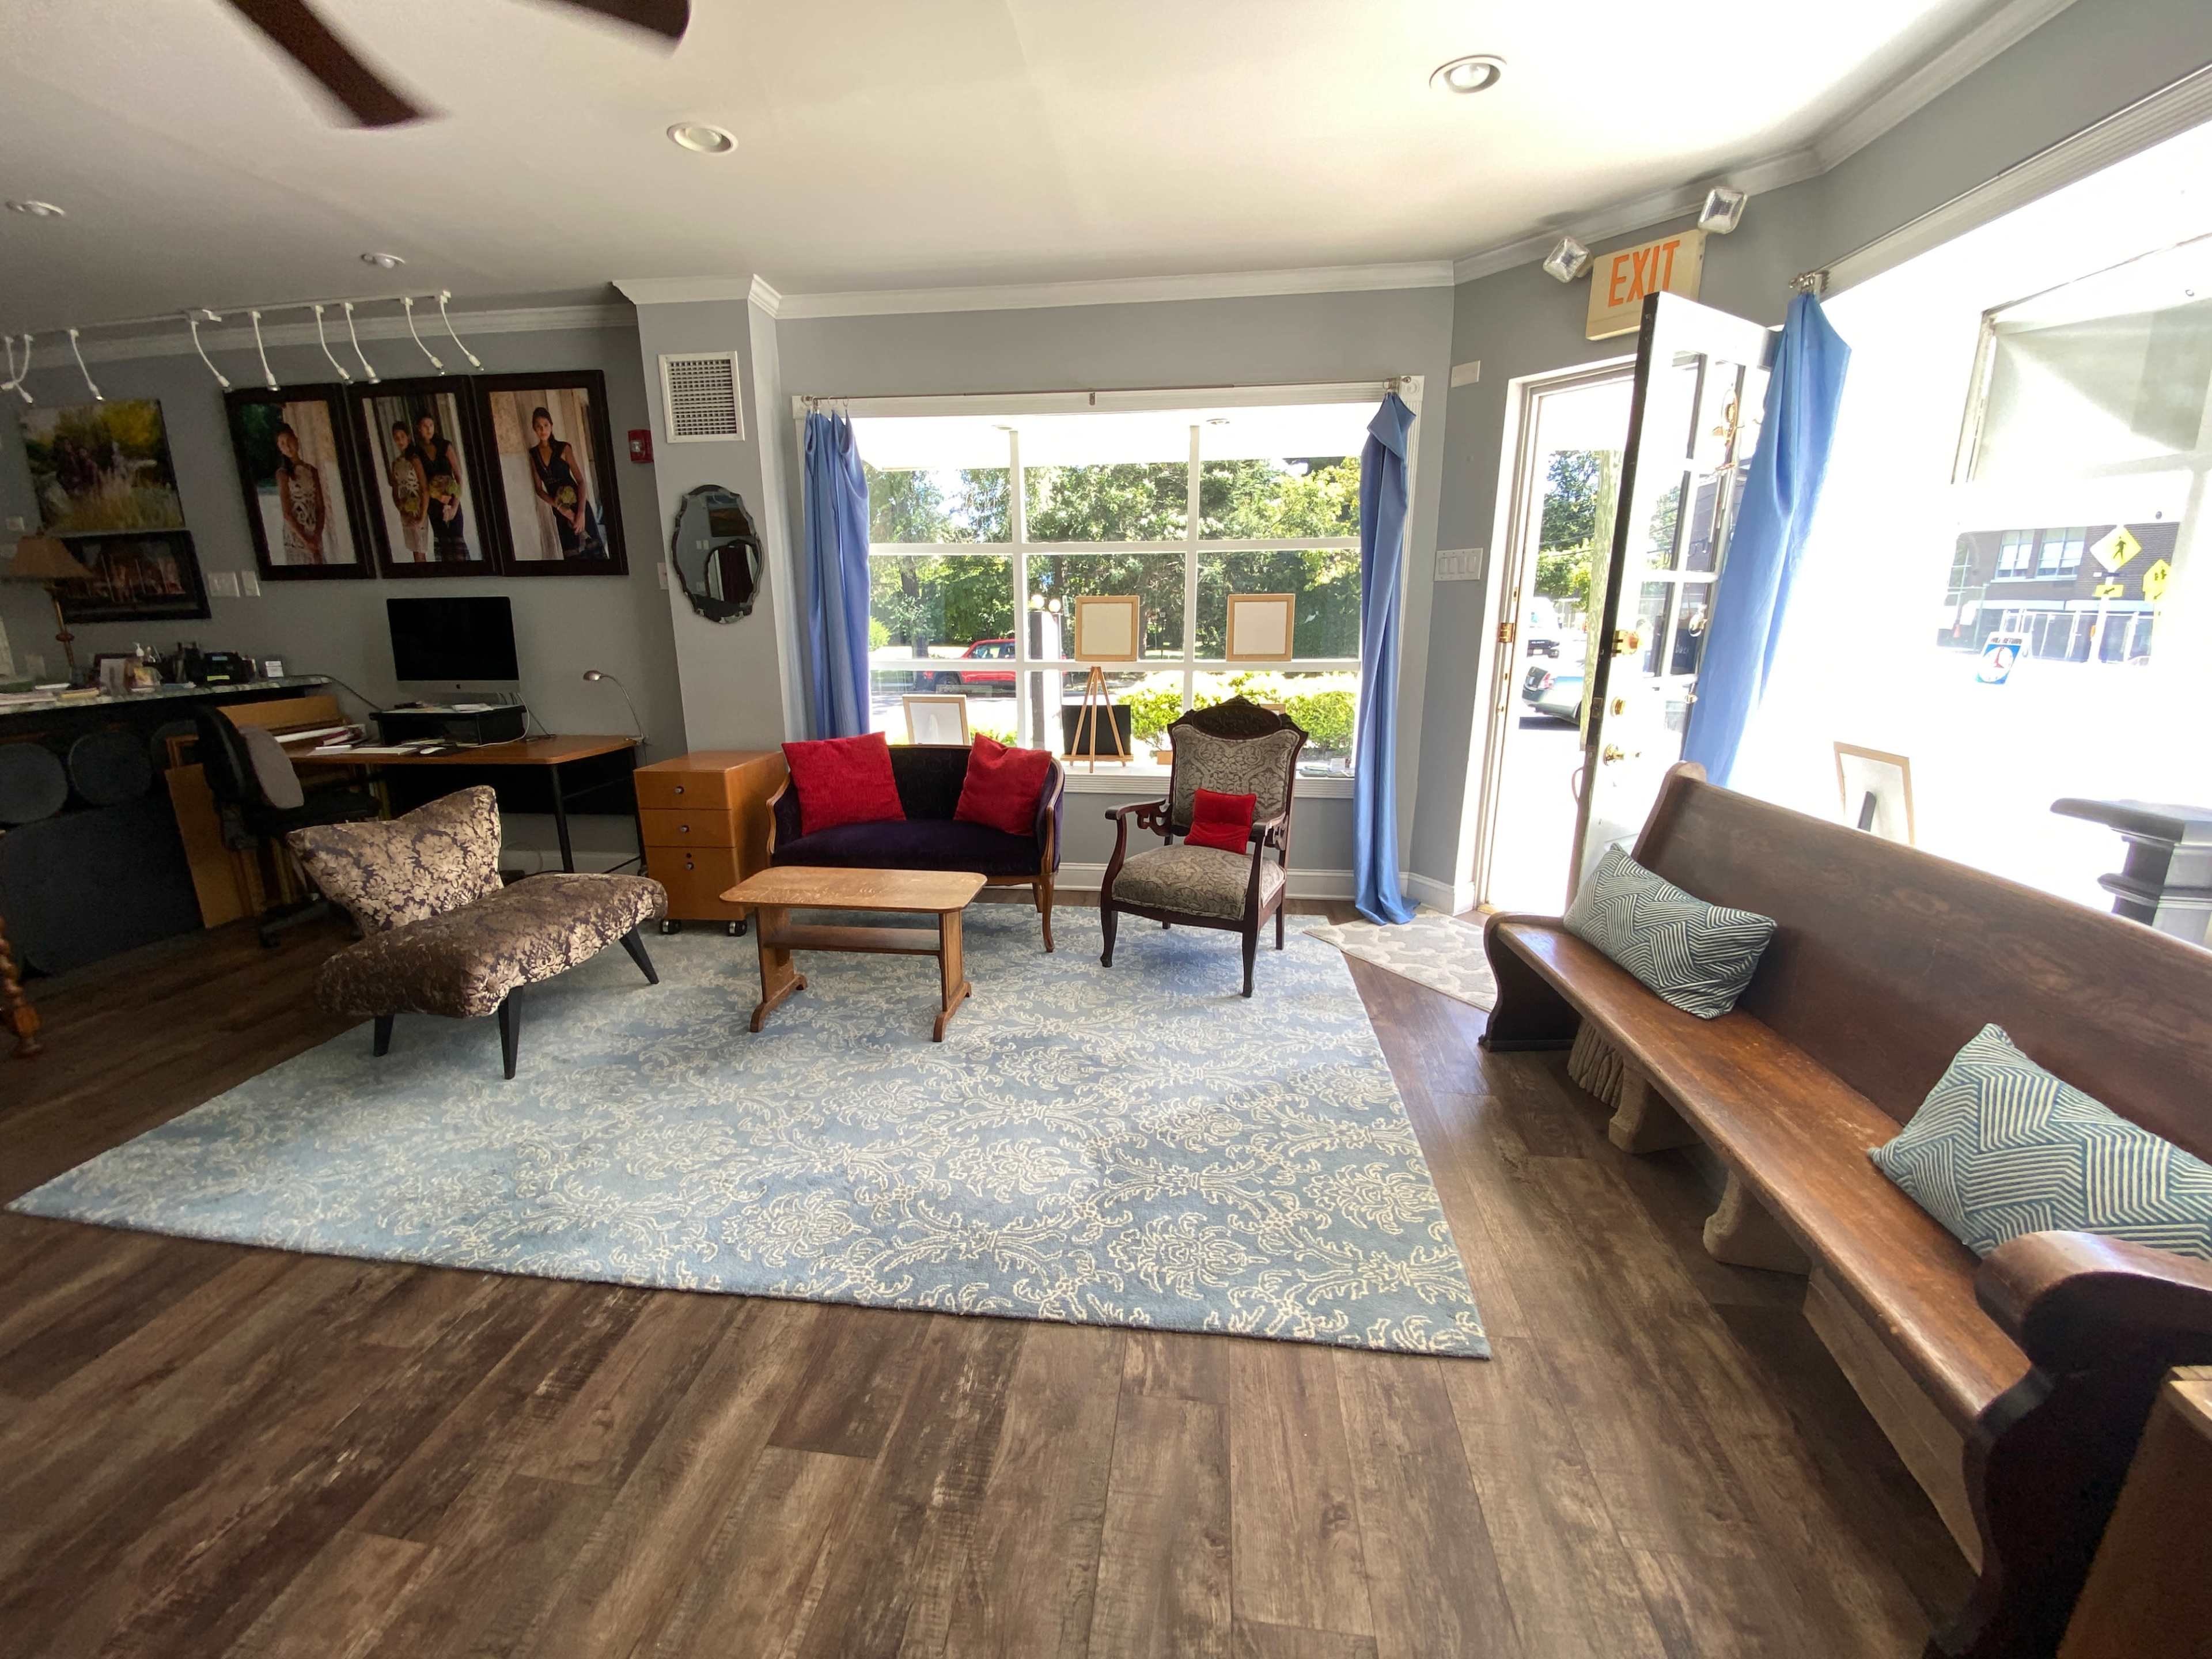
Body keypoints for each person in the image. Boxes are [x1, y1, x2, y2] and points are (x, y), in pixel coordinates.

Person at [524, 403, 607, 559]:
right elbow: (539, 489)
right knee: (573, 557)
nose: (543, 430)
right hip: (560, 511)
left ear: (552, 426)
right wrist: (560, 508)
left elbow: (581, 481)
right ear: (534, 429)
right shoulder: (534, 455)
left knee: (595, 556)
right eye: (539, 426)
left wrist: (581, 513)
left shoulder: (564, 448)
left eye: (546, 425)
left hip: (579, 506)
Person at [415, 412, 470, 561]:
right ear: (419, 429)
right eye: (425, 426)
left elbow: (459, 476)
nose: (429, 429)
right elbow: (423, 484)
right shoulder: (418, 452)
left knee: (457, 542)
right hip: (434, 504)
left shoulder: (445, 446)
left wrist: (455, 506)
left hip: (452, 499)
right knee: (443, 545)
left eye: (431, 425)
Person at [272, 422, 327, 565]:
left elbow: (320, 507)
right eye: (283, 444)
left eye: (289, 441)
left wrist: (317, 535)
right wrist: (306, 540)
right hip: (296, 536)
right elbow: (287, 513)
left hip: (314, 533)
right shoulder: (283, 474)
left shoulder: (312, 471)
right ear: (280, 448)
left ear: (296, 440)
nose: (288, 446)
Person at [385, 420, 430, 562]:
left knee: (420, 550)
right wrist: (402, 511)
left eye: (402, 437)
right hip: (406, 510)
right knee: (414, 551)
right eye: (397, 438)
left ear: (408, 437)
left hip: (419, 508)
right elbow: (395, 490)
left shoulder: (415, 459)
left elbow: (425, 488)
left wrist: (422, 517)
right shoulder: (396, 463)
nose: (400, 441)